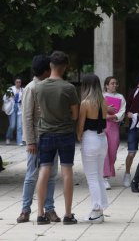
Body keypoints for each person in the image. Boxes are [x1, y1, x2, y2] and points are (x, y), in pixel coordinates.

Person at [35, 51, 79, 224]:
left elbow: (40, 110)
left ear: (51, 66)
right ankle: (68, 215)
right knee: (66, 171)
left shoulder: (39, 87)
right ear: (65, 67)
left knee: (44, 171)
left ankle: (40, 214)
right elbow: (75, 115)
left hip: (45, 133)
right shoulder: (69, 88)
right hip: (65, 133)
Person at [17, 55, 60, 223]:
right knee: (32, 175)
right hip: (37, 139)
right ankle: (25, 209)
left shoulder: (50, 86)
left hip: (52, 135)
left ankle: (49, 209)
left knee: (51, 174)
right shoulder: (31, 88)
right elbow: (27, 117)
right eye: (50, 68)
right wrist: (31, 141)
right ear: (45, 71)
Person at [77, 74, 108, 223]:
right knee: (99, 176)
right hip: (103, 139)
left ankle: (96, 210)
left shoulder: (86, 103)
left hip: (90, 139)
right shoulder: (104, 101)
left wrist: (77, 137)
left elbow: (80, 126)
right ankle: (100, 209)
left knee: (92, 178)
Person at [103, 76, 126, 189]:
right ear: (106, 85)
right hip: (102, 125)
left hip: (114, 125)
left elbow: (122, 111)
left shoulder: (120, 97)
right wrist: (105, 111)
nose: (114, 85)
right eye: (112, 83)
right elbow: (96, 110)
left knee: (112, 150)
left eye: (116, 83)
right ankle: (104, 177)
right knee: (104, 151)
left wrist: (113, 116)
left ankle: (108, 173)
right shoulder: (101, 96)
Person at [3, 77, 24, 145]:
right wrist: (11, 97)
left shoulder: (22, 90)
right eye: (17, 82)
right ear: (15, 82)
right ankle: (8, 137)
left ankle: (19, 141)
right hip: (12, 108)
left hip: (19, 108)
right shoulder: (11, 89)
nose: (18, 83)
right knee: (12, 125)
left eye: (19, 82)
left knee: (19, 126)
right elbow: (5, 98)